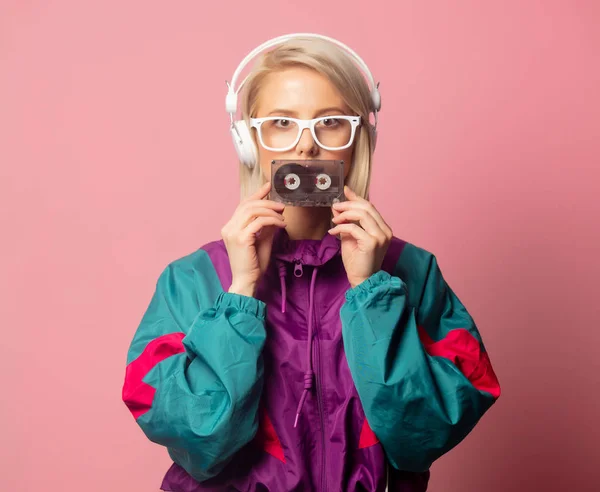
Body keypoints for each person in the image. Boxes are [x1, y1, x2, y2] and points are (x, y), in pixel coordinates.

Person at [122, 34, 501, 492]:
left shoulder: (412, 274)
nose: (306, 147)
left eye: (331, 122)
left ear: (359, 137)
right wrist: (240, 292)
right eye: (281, 122)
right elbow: (199, 442)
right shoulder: (192, 280)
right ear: (247, 142)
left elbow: (423, 436)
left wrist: (371, 291)